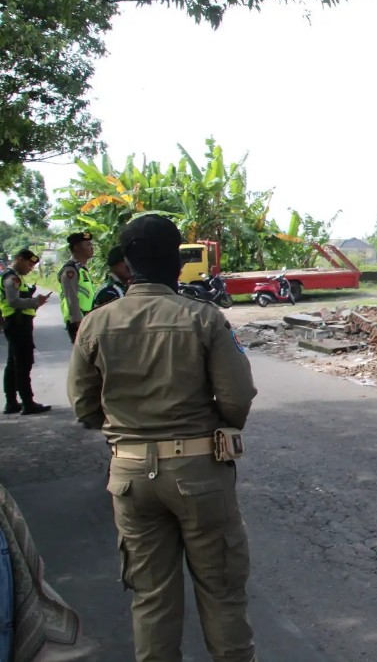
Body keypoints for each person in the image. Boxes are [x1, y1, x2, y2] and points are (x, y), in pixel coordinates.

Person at [67, 215, 259, 662]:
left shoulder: (95, 324)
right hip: (199, 473)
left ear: (128, 264)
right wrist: (216, 424)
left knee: (150, 596)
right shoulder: (204, 318)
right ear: (176, 263)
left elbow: (84, 406)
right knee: (222, 590)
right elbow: (237, 397)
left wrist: (128, 432)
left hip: (129, 476)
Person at [1, 249, 51, 416]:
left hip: (15, 323)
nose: (30, 268)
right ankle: (28, 403)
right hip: (18, 324)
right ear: (20, 260)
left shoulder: (13, 276)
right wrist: (35, 301)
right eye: (29, 264)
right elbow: (14, 301)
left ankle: (11, 402)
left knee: (13, 364)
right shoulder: (11, 278)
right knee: (23, 363)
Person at [58, 231, 95, 343]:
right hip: (78, 321)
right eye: (88, 245)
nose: (92, 248)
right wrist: (79, 324)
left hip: (86, 318)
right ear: (77, 247)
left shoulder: (81, 268)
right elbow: (72, 298)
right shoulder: (71, 270)